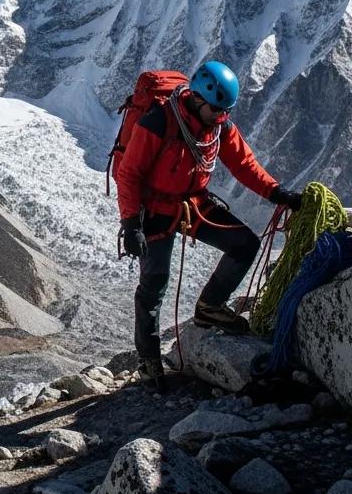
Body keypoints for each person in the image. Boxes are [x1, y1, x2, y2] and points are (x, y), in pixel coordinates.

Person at [115, 61, 302, 391]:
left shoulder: (218, 126)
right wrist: (131, 224)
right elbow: (129, 174)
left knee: (244, 244)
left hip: (192, 203)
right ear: (198, 99)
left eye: (225, 111)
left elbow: (243, 164)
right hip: (155, 209)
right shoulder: (159, 122)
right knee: (154, 285)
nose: (221, 117)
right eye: (216, 110)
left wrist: (276, 193)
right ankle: (149, 360)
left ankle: (210, 307)